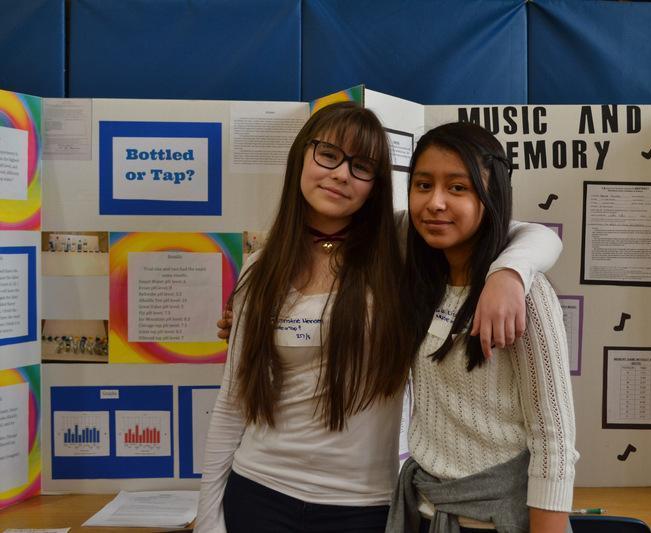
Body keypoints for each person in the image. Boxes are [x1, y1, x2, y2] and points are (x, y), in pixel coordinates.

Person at [197, 103, 563, 533]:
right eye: (328, 155)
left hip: (363, 505)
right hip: (259, 491)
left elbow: (533, 233)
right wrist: (208, 519)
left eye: (361, 166)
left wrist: (510, 273)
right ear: (301, 156)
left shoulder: (398, 246)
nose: (341, 174)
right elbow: (232, 402)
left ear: (377, 184)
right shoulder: (261, 268)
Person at [386, 122, 578, 533]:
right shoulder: (420, 276)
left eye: (458, 188)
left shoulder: (525, 294)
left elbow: (554, 440)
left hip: (496, 521)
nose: (435, 202)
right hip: (425, 510)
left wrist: (509, 273)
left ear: (491, 196)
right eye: (423, 185)